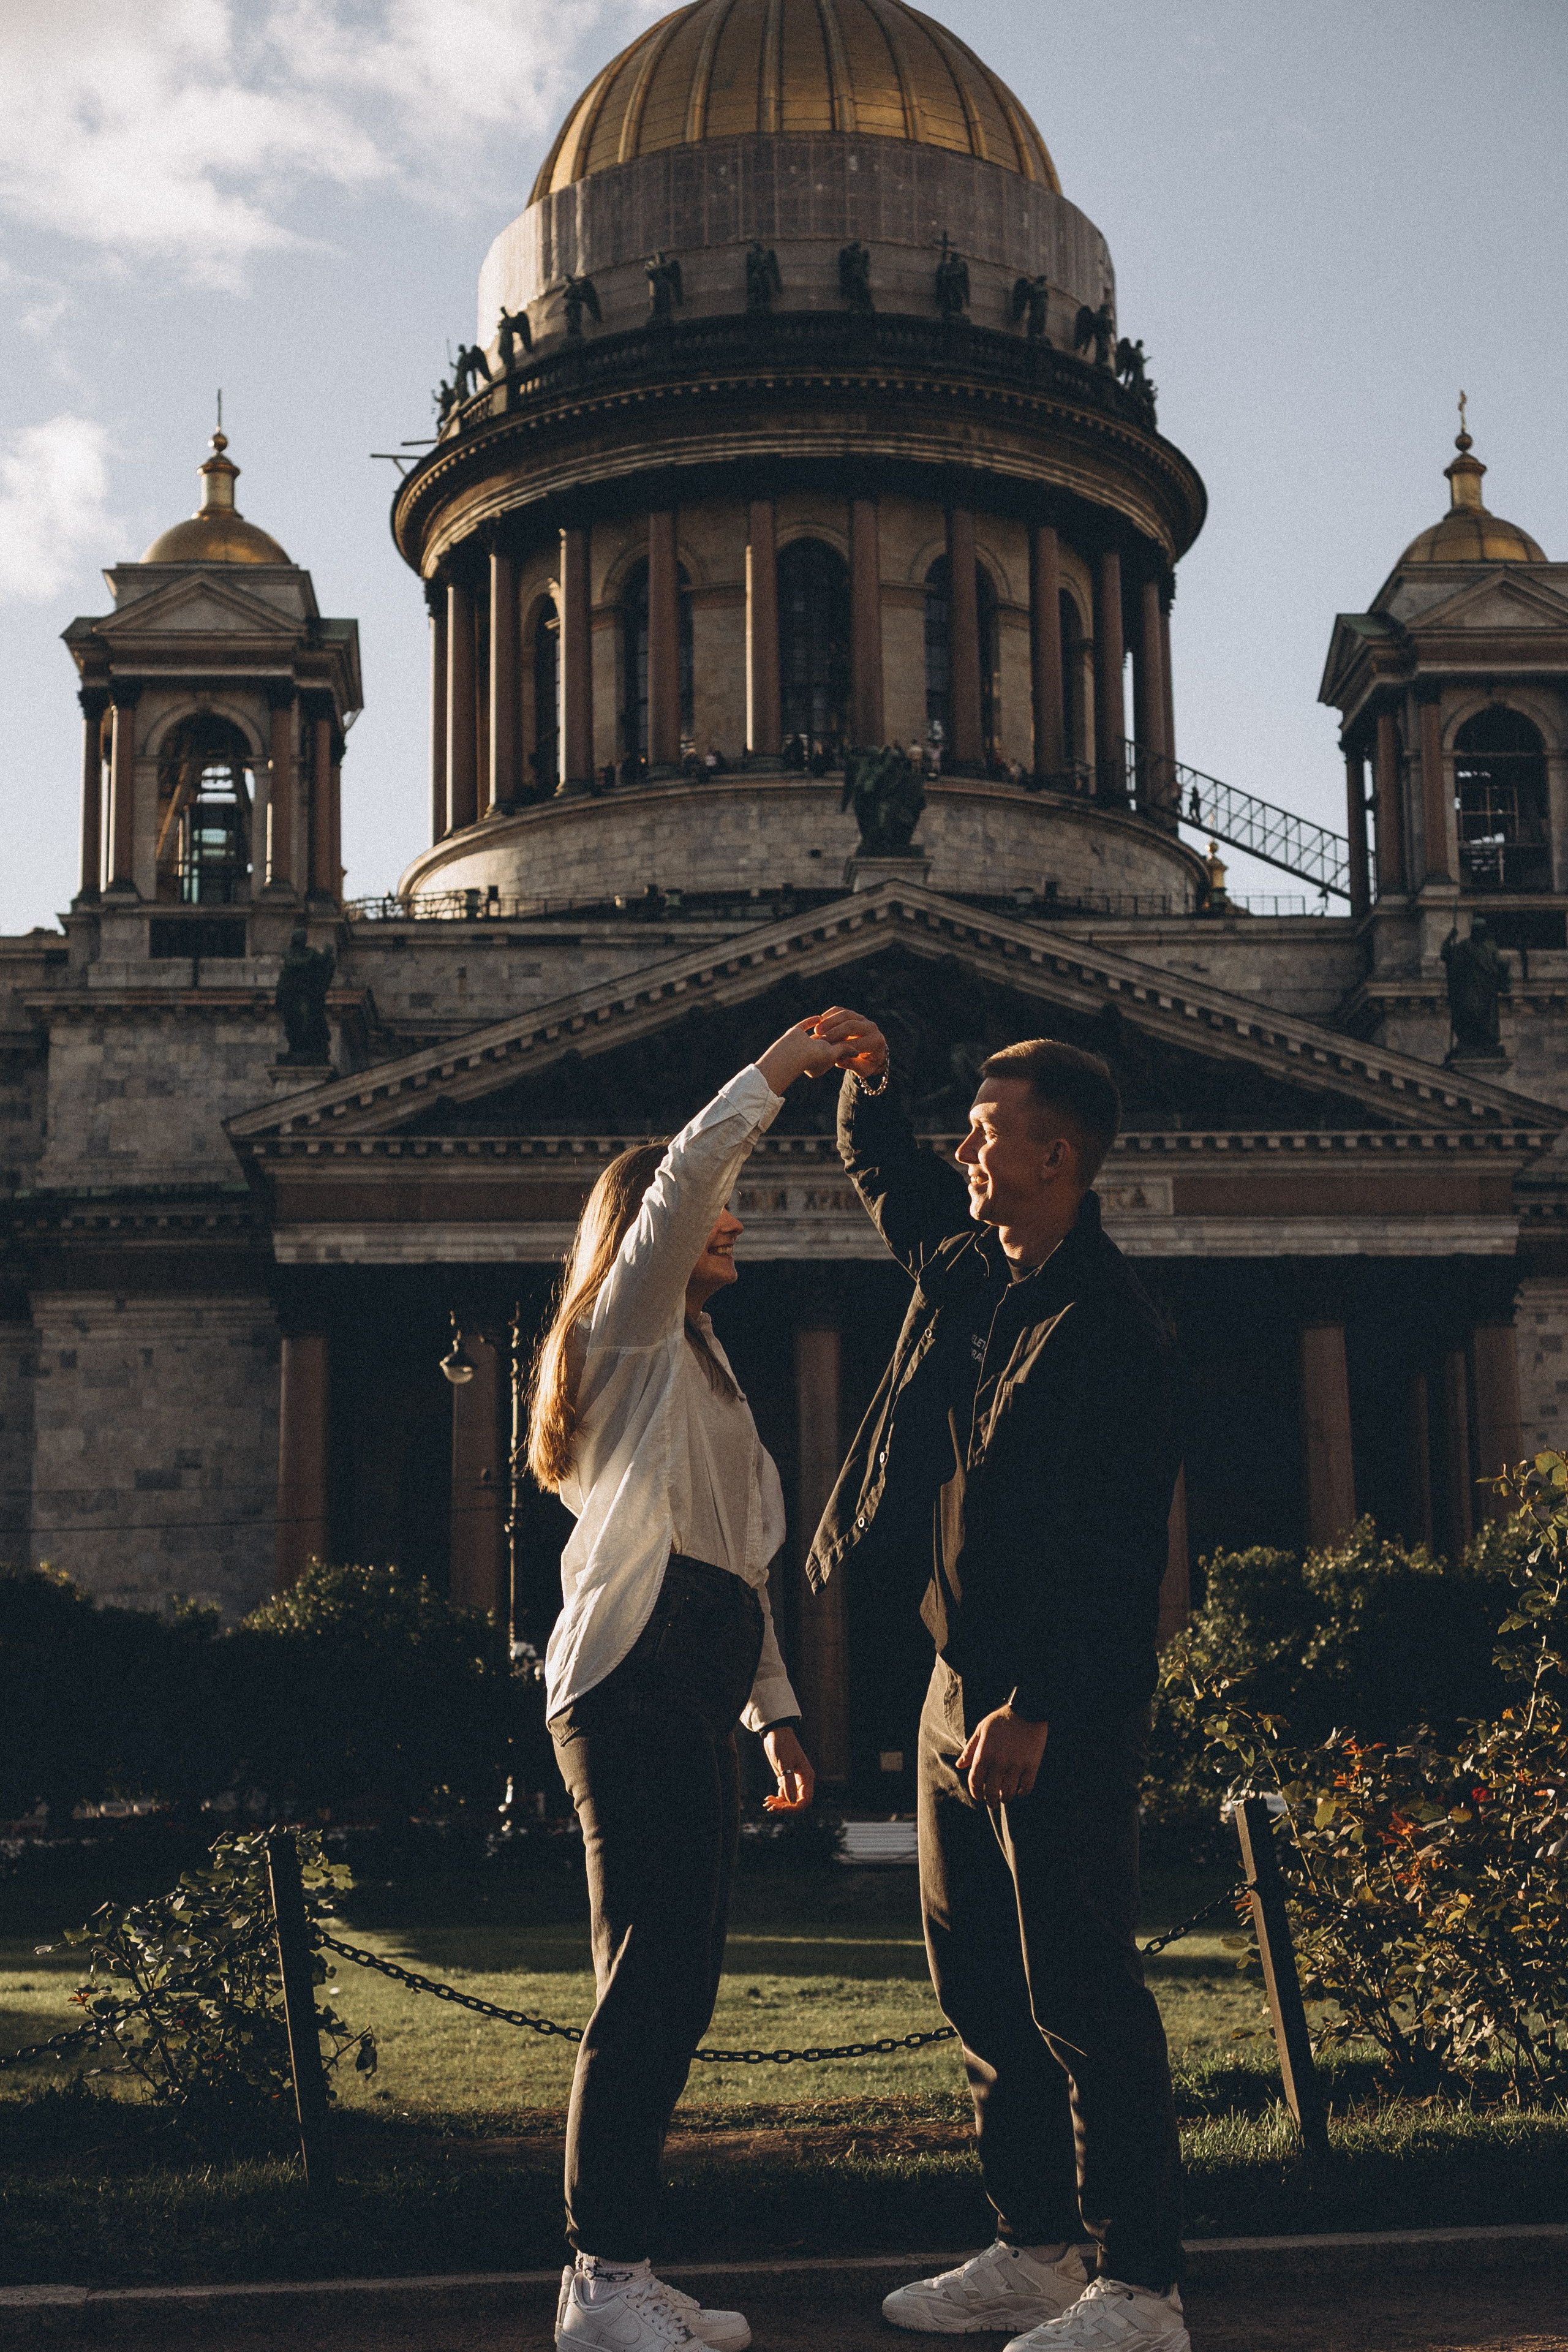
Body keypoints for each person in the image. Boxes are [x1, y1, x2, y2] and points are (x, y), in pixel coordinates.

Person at [803, 1009, 1188, 2352]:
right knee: (977, 1987)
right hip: (949, 1686)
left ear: (1058, 1158)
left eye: (985, 1132)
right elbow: (890, 1182)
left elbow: (1112, 1550)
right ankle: (1032, 2247)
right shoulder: (971, 1271)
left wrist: (1032, 1701)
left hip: (1044, 1701)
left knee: (1078, 1992)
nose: (962, 1148)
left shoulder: (1109, 1327)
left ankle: (1137, 2286)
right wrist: (867, 1085)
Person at [528, 1025, 834, 2352]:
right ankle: (602, 2278)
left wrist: (775, 1717)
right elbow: (695, 1167)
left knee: (675, 1981)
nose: (740, 1227)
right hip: (634, 1671)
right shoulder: (633, 1328)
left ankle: (621, 2270)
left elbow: (742, 1559)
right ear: (659, 1228)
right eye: (721, 1217)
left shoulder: (704, 1368)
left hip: (694, 1672)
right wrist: (777, 1069)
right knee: (649, 1980)